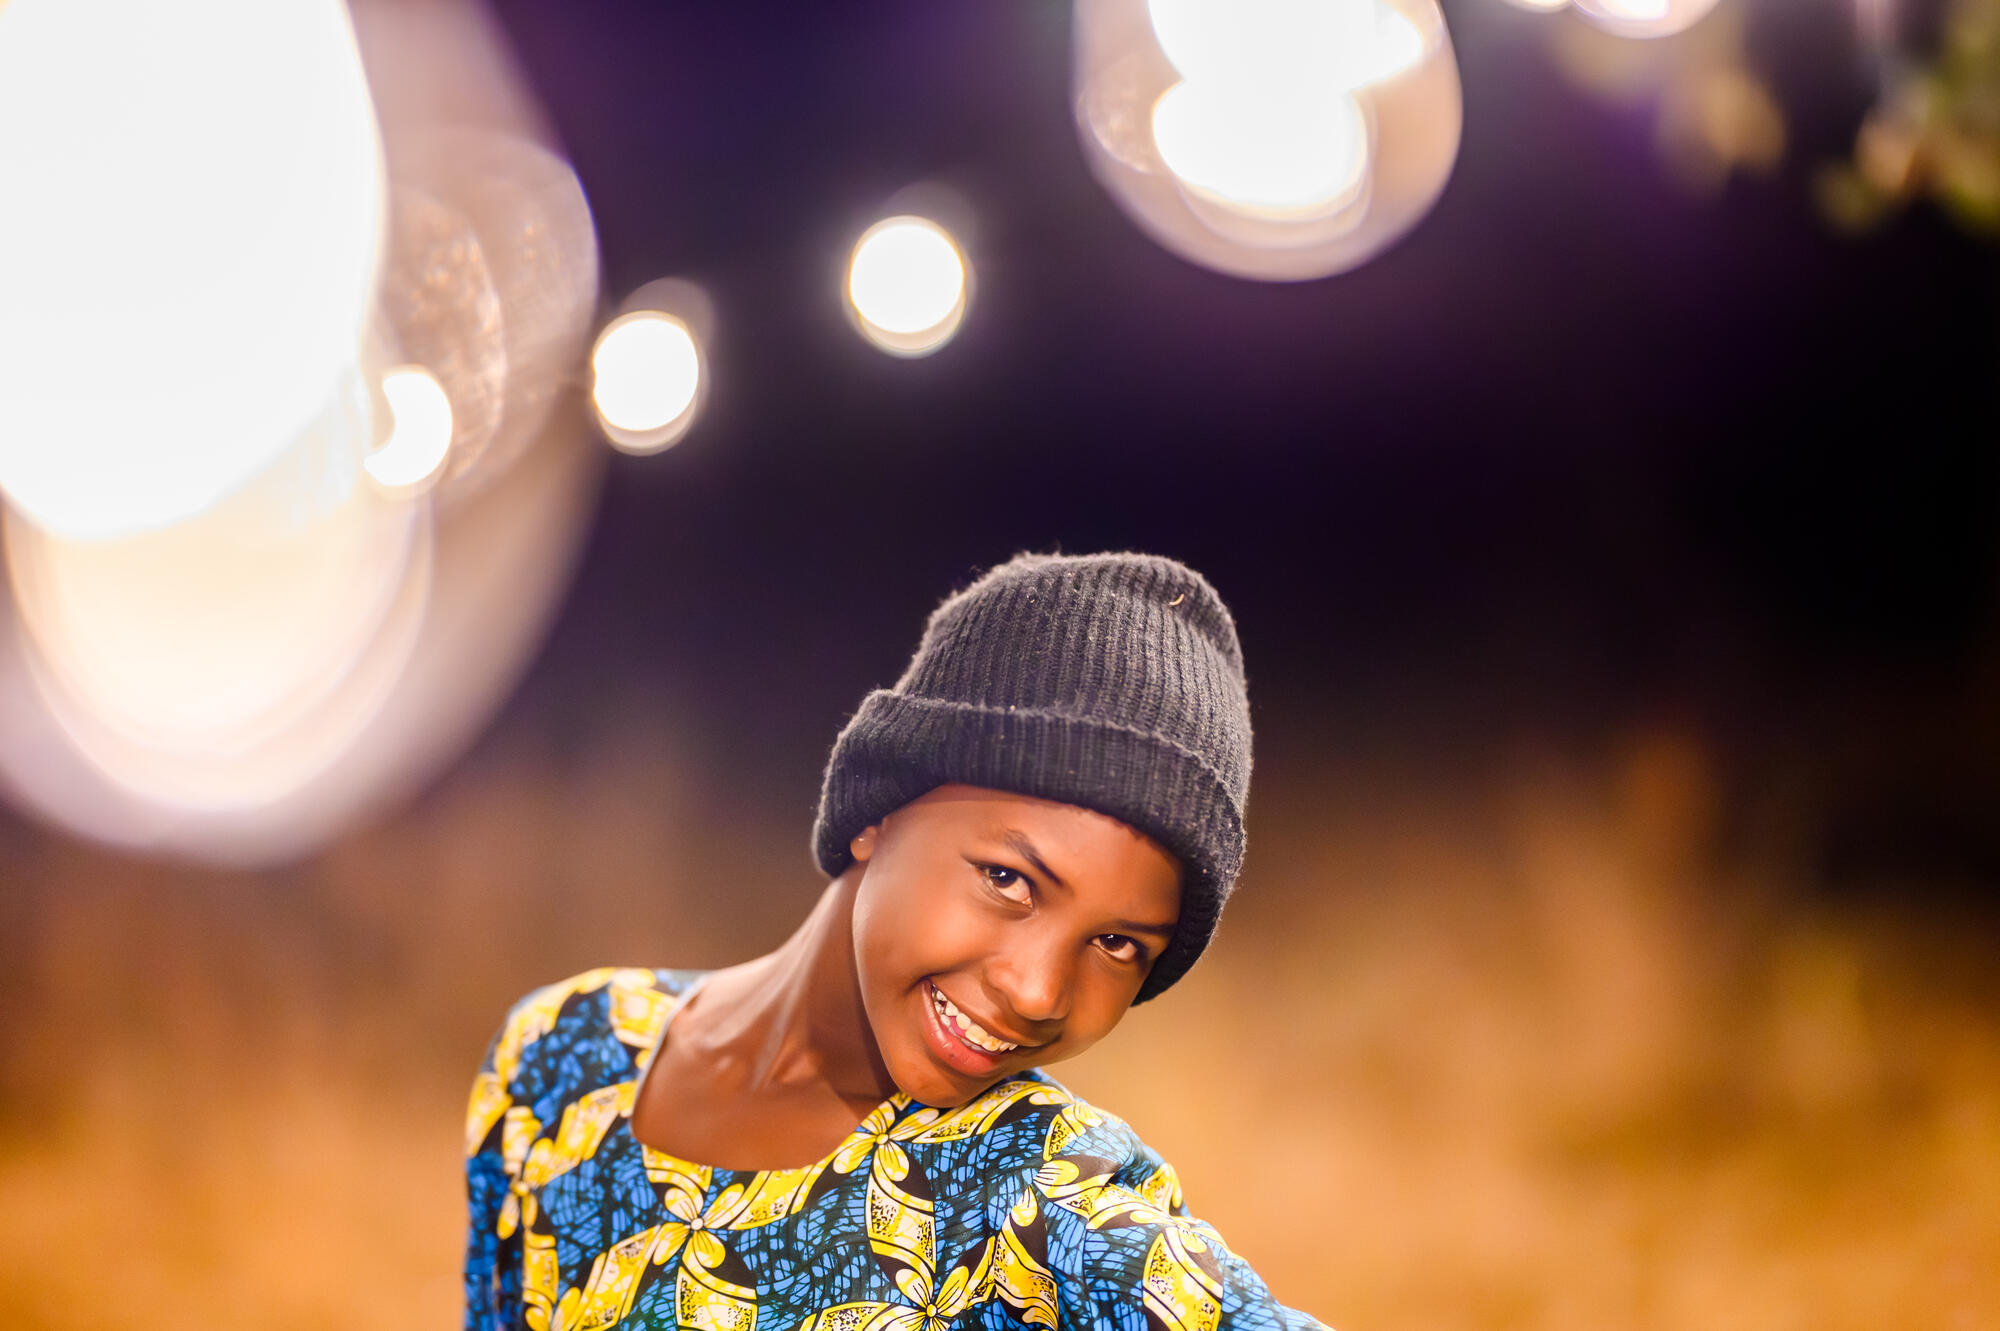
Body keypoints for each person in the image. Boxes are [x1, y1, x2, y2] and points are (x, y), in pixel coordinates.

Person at [462, 551, 1325, 1331]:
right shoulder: (563, 1055)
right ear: (878, 808)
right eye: (1008, 878)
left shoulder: (1032, 1195)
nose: (1037, 991)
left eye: (1118, 944)